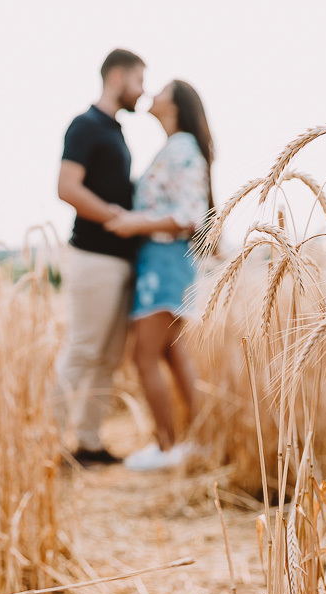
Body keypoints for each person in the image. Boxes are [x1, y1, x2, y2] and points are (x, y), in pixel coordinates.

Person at [104, 80, 214, 471]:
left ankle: (167, 448)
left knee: (145, 354)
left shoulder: (181, 149)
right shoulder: (177, 147)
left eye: (163, 89)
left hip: (164, 260)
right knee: (171, 352)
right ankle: (200, 442)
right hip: (164, 260)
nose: (153, 92)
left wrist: (135, 223)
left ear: (176, 105)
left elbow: (190, 214)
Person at [53, 49, 146, 466]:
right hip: (94, 257)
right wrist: (115, 217)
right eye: (139, 80)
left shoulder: (115, 130)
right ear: (117, 76)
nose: (142, 91)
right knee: (83, 349)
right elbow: (67, 187)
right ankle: (51, 445)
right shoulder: (85, 125)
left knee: (108, 357)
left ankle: (89, 443)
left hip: (120, 260)